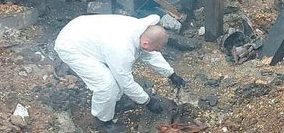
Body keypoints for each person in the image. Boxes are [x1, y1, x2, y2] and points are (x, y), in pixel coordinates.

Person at [54, 14, 187, 133]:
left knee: (113, 80)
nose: (158, 51)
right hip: (71, 45)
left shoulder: (141, 30)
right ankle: (103, 120)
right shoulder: (122, 49)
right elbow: (125, 82)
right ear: (145, 44)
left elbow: (151, 54)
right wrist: (147, 101)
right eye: (158, 48)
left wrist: (170, 74)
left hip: (85, 32)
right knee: (106, 84)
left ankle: (111, 102)